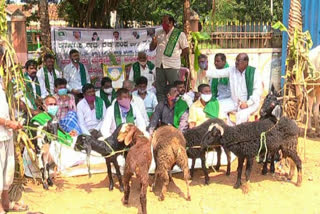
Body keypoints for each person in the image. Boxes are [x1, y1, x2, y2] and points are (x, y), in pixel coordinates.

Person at [205, 53, 262, 124]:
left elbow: (258, 91)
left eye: (238, 61)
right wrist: (205, 73)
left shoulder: (254, 72)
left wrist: (247, 103)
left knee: (241, 116)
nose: (236, 62)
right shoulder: (232, 70)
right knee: (217, 108)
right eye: (236, 60)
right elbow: (219, 73)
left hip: (250, 103)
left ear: (245, 62)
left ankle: (239, 133)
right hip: (234, 101)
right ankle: (230, 127)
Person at [0, 77, 28, 213]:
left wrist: (12, 122)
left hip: (7, 133)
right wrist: (7, 123)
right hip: (2, 131)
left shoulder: (2, 81)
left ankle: (5, 202)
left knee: (8, 169)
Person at [150, 14, 189, 102]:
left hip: (173, 66)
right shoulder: (158, 33)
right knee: (160, 90)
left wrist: (177, 56)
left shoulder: (179, 34)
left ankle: (175, 108)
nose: (162, 24)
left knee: (175, 88)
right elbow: (151, 48)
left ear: (171, 23)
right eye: (162, 22)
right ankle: (162, 107)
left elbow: (186, 49)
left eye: (164, 22)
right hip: (160, 65)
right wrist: (154, 42)